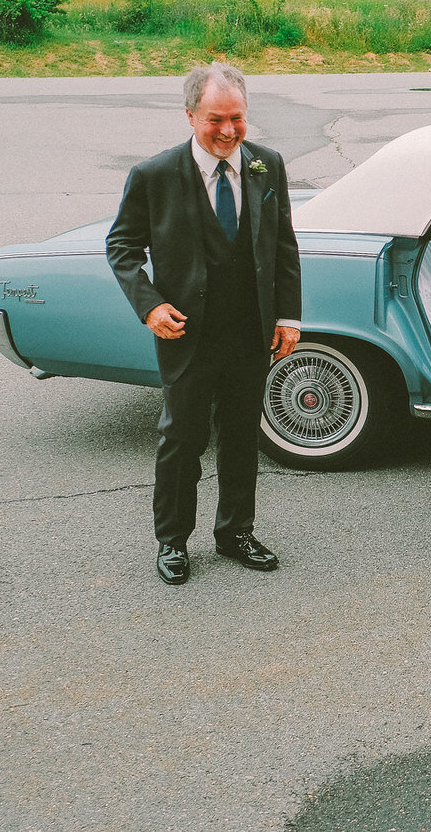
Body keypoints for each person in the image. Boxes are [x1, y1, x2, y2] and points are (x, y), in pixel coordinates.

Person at [107, 61, 302, 586]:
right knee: (182, 440)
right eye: (216, 119)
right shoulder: (154, 175)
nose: (228, 131)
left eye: (237, 119)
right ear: (190, 115)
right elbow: (122, 247)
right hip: (187, 334)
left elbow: (283, 245)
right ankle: (172, 541)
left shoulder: (267, 165)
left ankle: (235, 532)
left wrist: (287, 316)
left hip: (250, 331)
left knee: (241, 436)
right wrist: (149, 305)